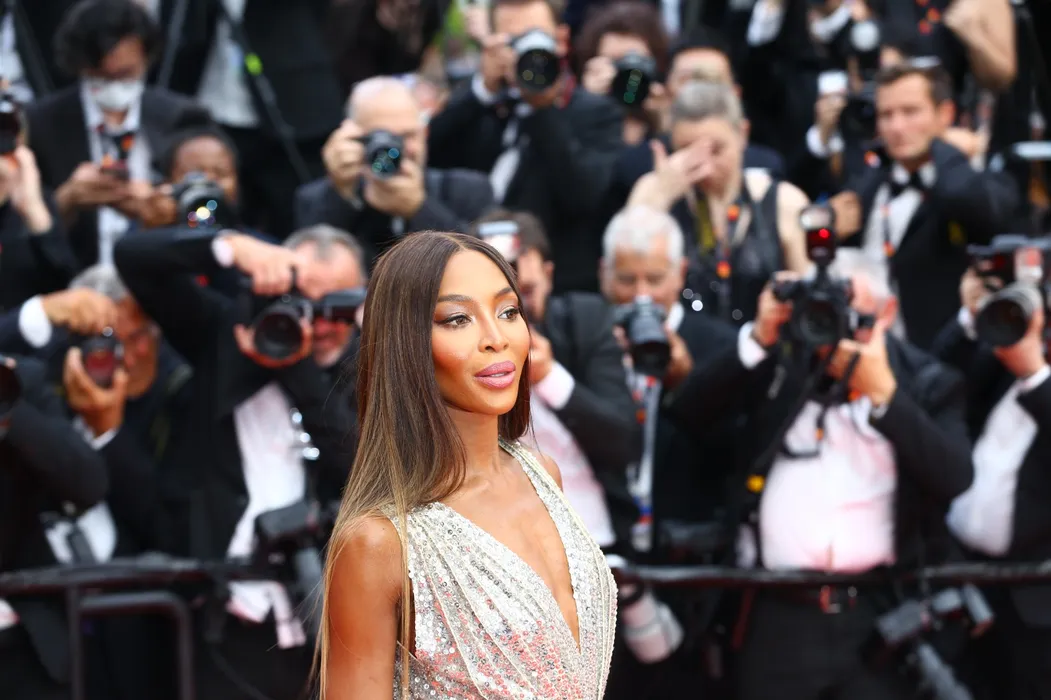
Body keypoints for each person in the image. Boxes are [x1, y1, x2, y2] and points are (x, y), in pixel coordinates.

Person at [318, 231, 617, 699]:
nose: (496, 338)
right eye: (458, 319)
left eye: (509, 312)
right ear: (405, 345)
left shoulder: (544, 476)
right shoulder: (377, 542)